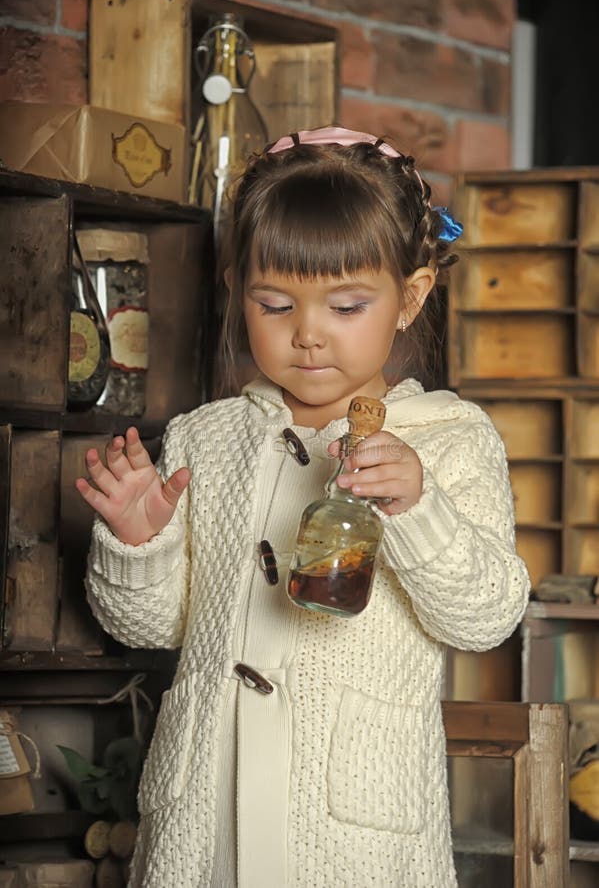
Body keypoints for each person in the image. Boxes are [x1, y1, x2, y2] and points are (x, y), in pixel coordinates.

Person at [79, 126, 530, 888]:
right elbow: (155, 629)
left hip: (352, 833)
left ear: (409, 297)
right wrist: (137, 540)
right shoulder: (203, 438)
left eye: (347, 305)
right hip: (204, 818)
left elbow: (484, 620)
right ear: (236, 289)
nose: (309, 335)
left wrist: (418, 509)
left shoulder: (448, 441)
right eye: (275, 303)